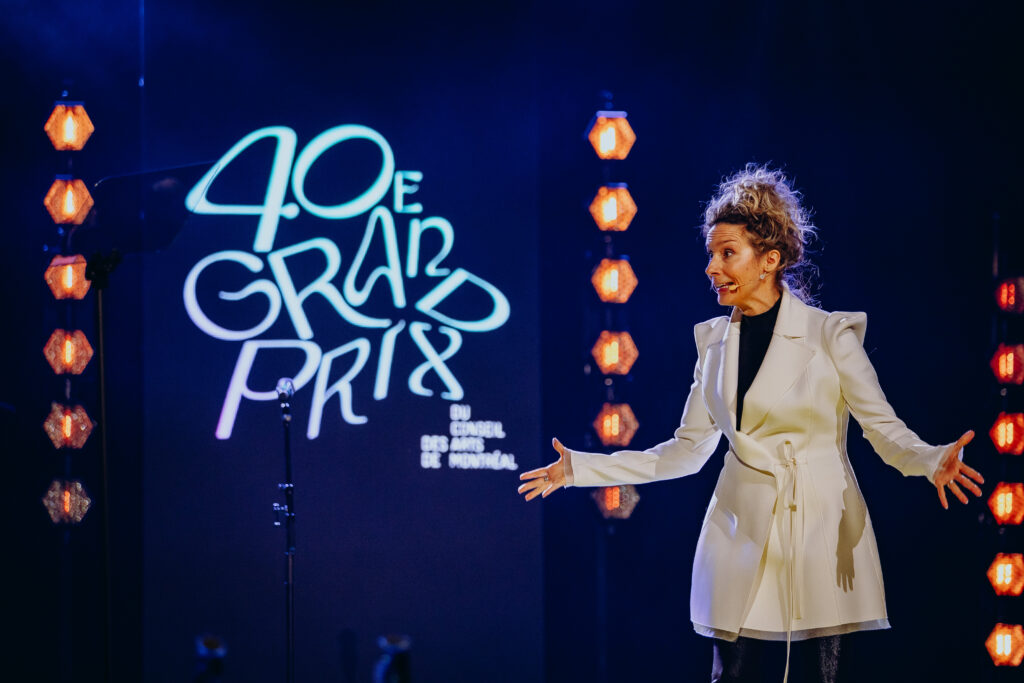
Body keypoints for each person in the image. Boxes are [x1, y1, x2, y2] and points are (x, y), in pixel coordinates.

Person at [517, 165, 984, 683]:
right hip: (737, 528)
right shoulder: (713, 345)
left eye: (727, 253)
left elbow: (883, 428)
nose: (712, 267)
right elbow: (685, 450)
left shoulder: (829, 335)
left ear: (770, 260)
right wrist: (580, 469)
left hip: (818, 531)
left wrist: (930, 459)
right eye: (711, 255)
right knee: (731, 677)